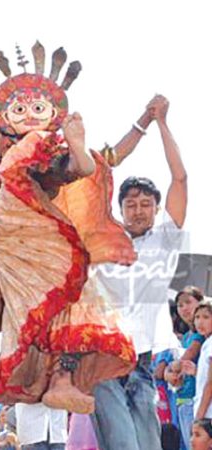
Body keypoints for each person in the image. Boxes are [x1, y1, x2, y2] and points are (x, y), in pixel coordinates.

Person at [0, 42, 137, 414]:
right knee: (54, 292)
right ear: (5, 114)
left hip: (52, 235)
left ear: (53, 111)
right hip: (13, 233)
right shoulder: (0, 142)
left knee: (78, 293)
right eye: (19, 109)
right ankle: (45, 377)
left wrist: (89, 142)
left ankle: (62, 379)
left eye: (38, 108)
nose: (29, 115)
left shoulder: (54, 146)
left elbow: (92, 166)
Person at [90, 91, 188, 449]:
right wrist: (142, 121)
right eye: (130, 204)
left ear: (156, 208)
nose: (138, 210)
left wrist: (162, 123)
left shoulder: (164, 239)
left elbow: (180, 179)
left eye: (146, 204)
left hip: (143, 361)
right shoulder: (103, 238)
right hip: (102, 359)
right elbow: (100, 170)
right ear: (120, 209)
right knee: (122, 443)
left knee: (148, 443)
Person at [167, 287, 206, 449]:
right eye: (180, 305)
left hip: (194, 402)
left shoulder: (199, 336)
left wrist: (171, 369)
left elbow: (182, 361)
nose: (184, 308)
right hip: (182, 400)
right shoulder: (186, 337)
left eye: (188, 302)